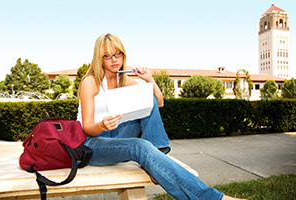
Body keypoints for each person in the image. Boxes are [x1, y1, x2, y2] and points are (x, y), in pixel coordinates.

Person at [77, 33, 246, 200]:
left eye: (117, 54)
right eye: (107, 56)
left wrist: (150, 80)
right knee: (140, 146)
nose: (114, 60)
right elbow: (88, 127)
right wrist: (103, 125)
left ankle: (158, 151)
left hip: (117, 134)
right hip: (93, 144)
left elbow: (158, 103)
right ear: (99, 59)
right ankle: (213, 198)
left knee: (148, 99)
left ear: (123, 55)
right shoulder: (91, 82)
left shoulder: (125, 80)